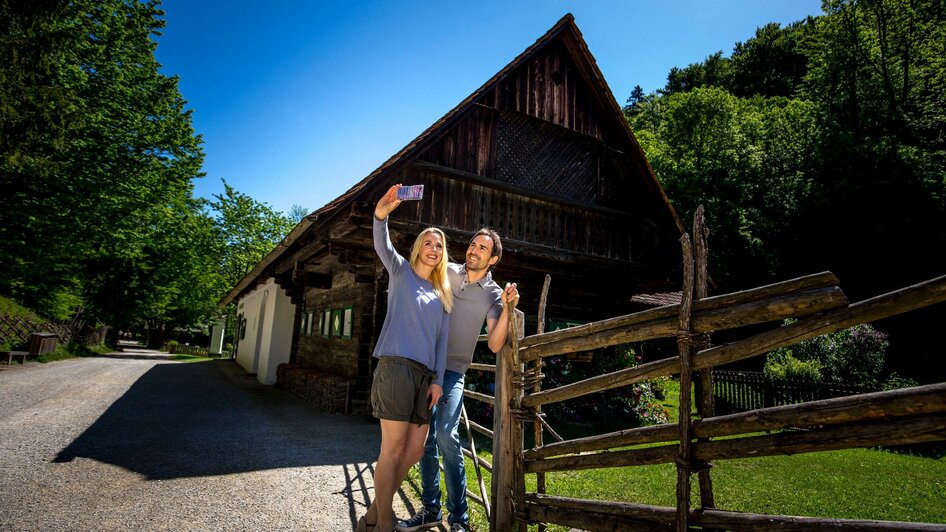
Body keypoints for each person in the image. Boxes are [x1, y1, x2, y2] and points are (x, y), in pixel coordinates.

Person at [397, 226, 519, 532]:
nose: (473, 250)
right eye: (472, 244)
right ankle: (430, 509)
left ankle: (459, 519)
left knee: (447, 437)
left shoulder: (493, 294)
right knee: (424, 440)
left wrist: (507, 307)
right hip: (424, 365)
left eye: (482, 248)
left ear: (493, 259)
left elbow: (493, 344)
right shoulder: (447, 271)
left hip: (452, 372)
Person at [358, 185, 453, 532]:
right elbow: (382, 242)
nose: (433, 248)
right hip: (395, 368)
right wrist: (382, 212)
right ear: (417, 249)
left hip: (424, 378)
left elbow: (442, 343)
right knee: (392, 449)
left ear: (443, 255)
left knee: (414, 450)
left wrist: (438, 380)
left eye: (439, 245)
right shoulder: (400, 273)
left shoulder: (442, 294)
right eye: (427, 242)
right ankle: (384, 520)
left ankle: (370, 513)